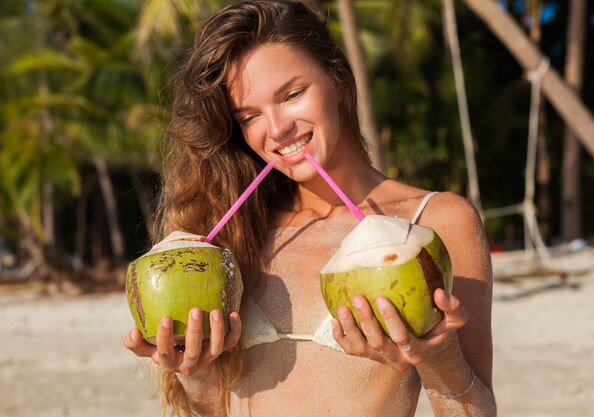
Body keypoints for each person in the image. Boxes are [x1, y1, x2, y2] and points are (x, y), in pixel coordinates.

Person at [124, 0, 496, 416]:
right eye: (249, 117)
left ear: (336, 80)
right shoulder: (238, 231)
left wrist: (438, 358)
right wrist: (195, 373)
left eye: (293, 94)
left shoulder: (434, 221)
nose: (277, 128)